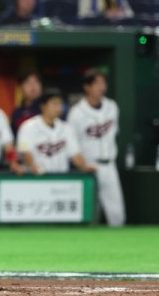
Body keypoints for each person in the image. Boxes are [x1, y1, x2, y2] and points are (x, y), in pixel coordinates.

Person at [67, 70, 125, 226]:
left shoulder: (112, 107)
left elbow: (114, 134)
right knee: (90, 211)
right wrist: (81, 164)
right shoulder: (76, 112)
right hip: (89, 165)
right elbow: (72, 143)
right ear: (86, 87)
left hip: (109, 164)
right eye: (96, 83)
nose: (101, 87)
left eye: (103, 83)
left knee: (117, 212)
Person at [17, 88, 96, 174]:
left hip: (61, 178)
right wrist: (32, 165)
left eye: (60, 103)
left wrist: (84, 166)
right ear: (43, 106)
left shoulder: (66, 128)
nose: (58, 107)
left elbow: (75, 154)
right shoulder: (28, 127)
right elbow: (25, 152)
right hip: (37, 178)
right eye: (54, 103)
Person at [11, 70, 42, 135]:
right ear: (21, 87)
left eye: (36, 82)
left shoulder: (47, 109)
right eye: (28, 82)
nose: (33, 85)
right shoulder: (16, 113)